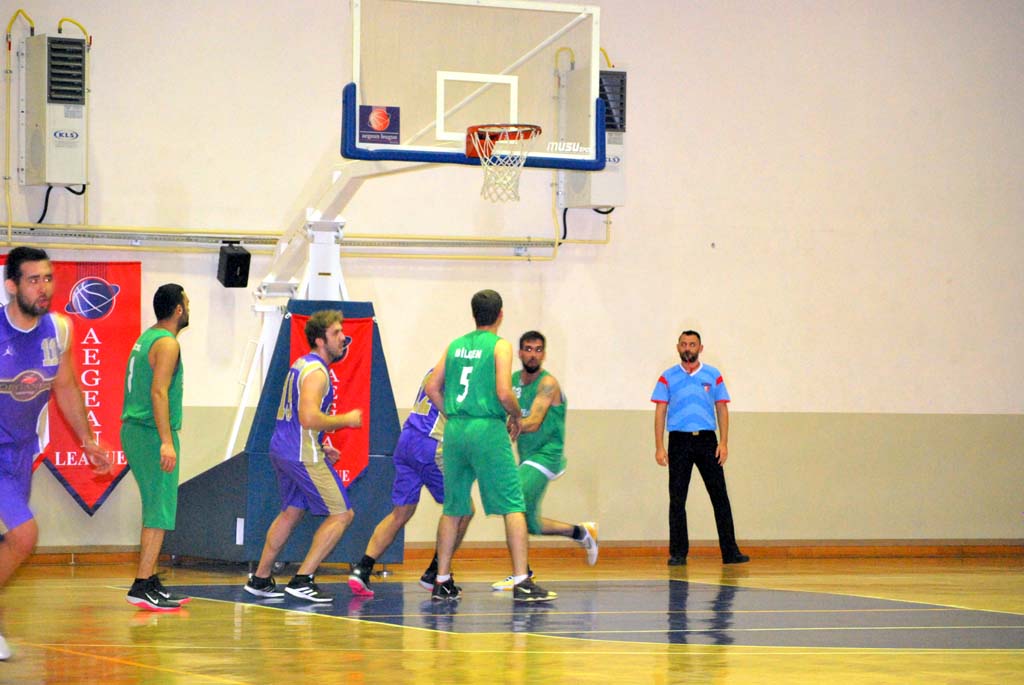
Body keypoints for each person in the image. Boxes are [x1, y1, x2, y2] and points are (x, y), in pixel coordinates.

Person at [0, 247, 111, 660]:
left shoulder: (59, 329)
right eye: (33, 280)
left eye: (48, 278)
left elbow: (66, 386)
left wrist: (88, 440)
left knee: (13, 538)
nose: (43, 287)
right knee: (24, 535)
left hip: (20, 451)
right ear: (12, 286)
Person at [424, 289, 556, 603]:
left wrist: (452, 413)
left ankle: (441, 580)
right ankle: (522, 580)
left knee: (453, 507)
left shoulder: (455, 345)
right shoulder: (500, 346)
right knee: (514, 504)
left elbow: (431, 387)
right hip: (487, 428)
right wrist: (517, 416)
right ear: (500, 314)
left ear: (474, 314)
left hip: (456, 430)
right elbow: (503, 391)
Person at [244, 310, 363, 603]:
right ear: (320, 340)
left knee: (291, 512)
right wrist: (346, 419)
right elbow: (308, 417)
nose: (343, 338)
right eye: (336, 333)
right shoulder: (317, 372)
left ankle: (260, 578)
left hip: (285, 448)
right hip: (300, 452)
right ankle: (303, 579)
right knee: (342, 514)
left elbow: (299, 419)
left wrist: (321, 445)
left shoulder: (302, 364)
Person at [347, 371, 474, 598]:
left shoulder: (434, 370)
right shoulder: (461, 372)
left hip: (407, 439)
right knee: (462, 509)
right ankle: (437, 573)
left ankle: (363, 568)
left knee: (400, 513)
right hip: (430, 444)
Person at [492, 331, 598, 591]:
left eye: (538, 350)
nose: (533, 354)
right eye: (528, 349)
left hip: (546, 456)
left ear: (544, 354)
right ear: (520, 353)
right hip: (527, 457)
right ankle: (582, 532)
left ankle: (522, 574)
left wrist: (505, 427)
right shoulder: (512, 382)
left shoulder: (548, 383)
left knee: (511, 501)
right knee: (529, 523)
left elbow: (533, 421)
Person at [652, 330, 749, 566]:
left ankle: (730, 552)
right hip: (679, 441)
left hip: (707, 441)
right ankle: (678, 553)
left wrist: (723, 443)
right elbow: (660, 411)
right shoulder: (667, 377)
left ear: (700, 348)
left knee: (720, 496)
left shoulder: (713, 375)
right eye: (684, 344)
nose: (688, 348)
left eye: (692, 344)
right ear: (678, 347)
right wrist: (659, 446)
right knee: (677, 499)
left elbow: (722, 408)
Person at [122, 284, 192, 611]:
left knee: (156, 506)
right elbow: (158, 392)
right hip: (151, 433)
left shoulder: (147, 338)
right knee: (159, 511)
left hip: (138, 431)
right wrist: (166, 441)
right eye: (187, 303)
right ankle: (141, 584)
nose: (188, 309)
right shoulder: (167, 343)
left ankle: (148, 580)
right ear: (178, 309)